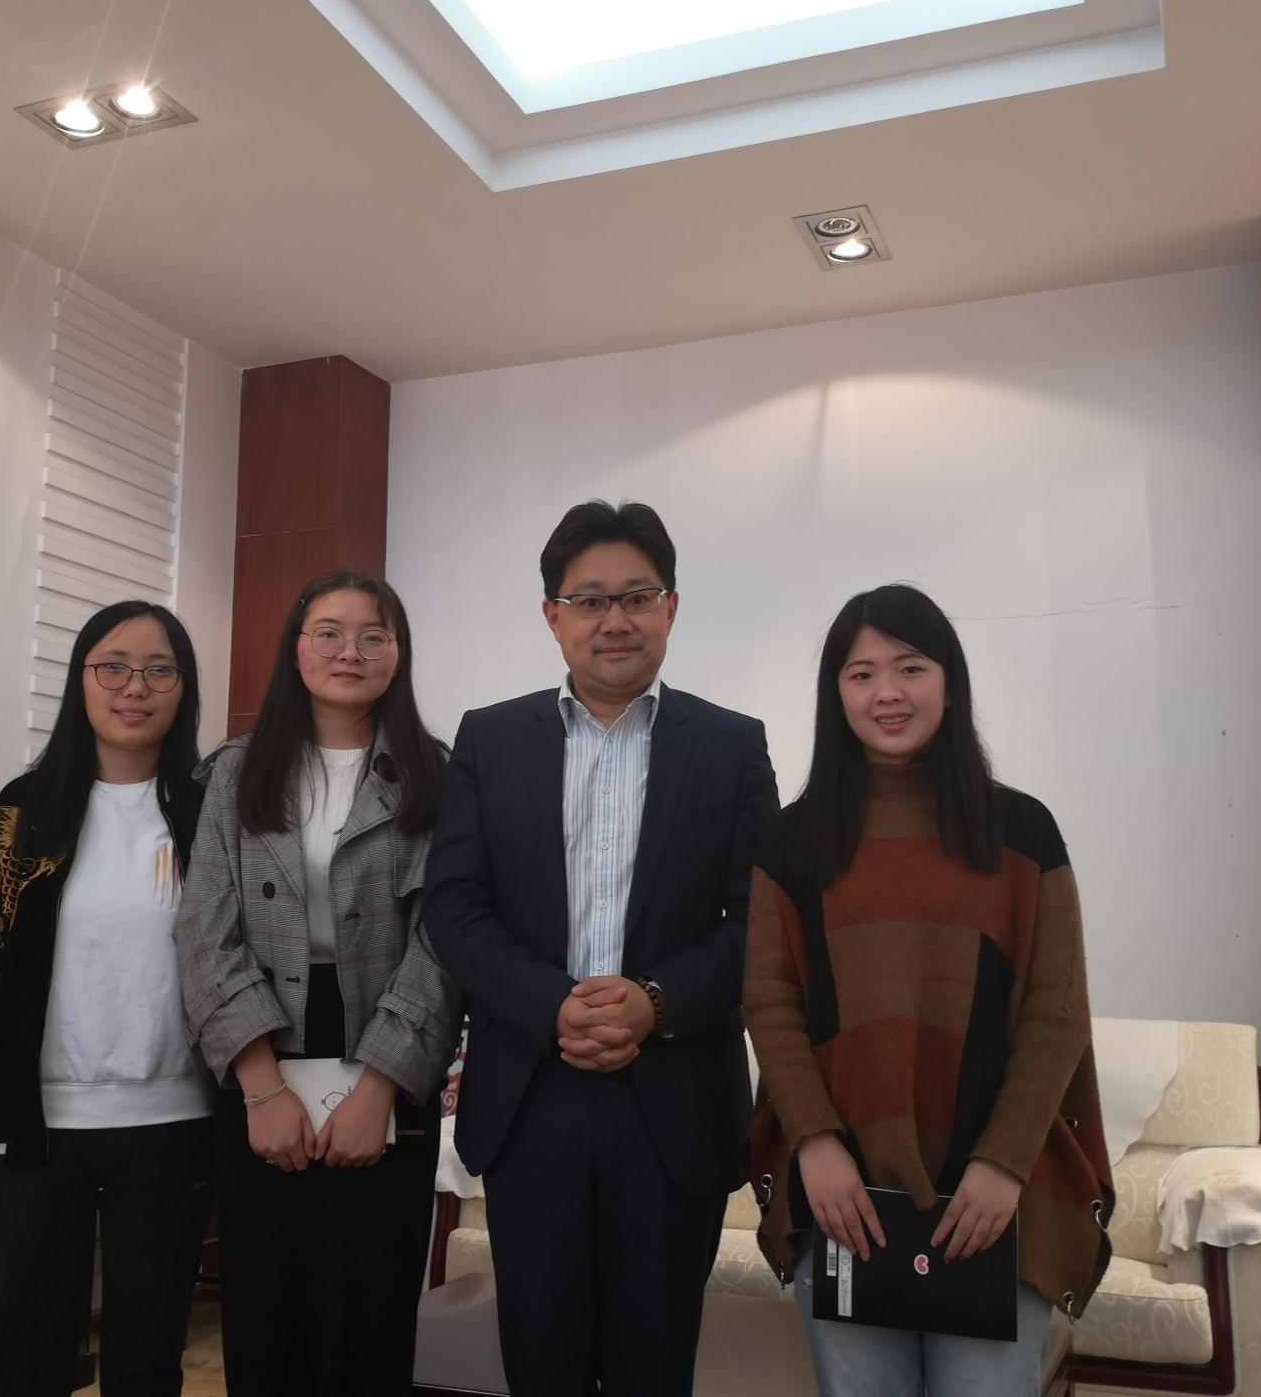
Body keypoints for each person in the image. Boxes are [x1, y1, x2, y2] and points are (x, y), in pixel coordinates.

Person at [423, 499, 779, 1396]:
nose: (614, 619)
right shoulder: (489, 739)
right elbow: (455, 908)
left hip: (674, 1101)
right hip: (531, 1093)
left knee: (653, 1368)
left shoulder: (731, 745)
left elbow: (763, 923)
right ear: (554, 616)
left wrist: (655, 1002)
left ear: (671, 607)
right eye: (589, 600)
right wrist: (552, 1004)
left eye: (637, 596)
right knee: (540, 1362)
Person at [744, 584, 1114, 1397]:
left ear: (950, 682)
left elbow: (1055, 1015)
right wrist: (816, 1144)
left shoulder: (1022, 833)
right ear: (836, 695)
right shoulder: (794, 841)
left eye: (910, 667)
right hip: (844, 1198)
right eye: (861, 673)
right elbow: (771, 1003)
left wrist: (1003, 1164)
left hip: (995, 1199)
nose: (887, 692)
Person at [175, 569, 460, 1397]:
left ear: (398, 654)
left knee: (373, 1312)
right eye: (328, 632)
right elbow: (204, 930)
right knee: (267, 1310)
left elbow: (444, 939)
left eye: (374, 635)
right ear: (296, 649)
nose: (350, 651)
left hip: (387, 1042)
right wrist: (261, 1088)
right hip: (262, 1045)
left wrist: (380, 1085)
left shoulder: (437, 776)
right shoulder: (234, 772)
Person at [0, 599, 213, 1397]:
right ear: (81, 680)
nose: (135, 687)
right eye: (113, 667)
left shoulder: (208, 813)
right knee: (26, 1359)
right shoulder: (24, 808)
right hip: (33, 1129)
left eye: (159, 669)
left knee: (146, 1363)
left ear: (184, 688)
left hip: (171, 1123)